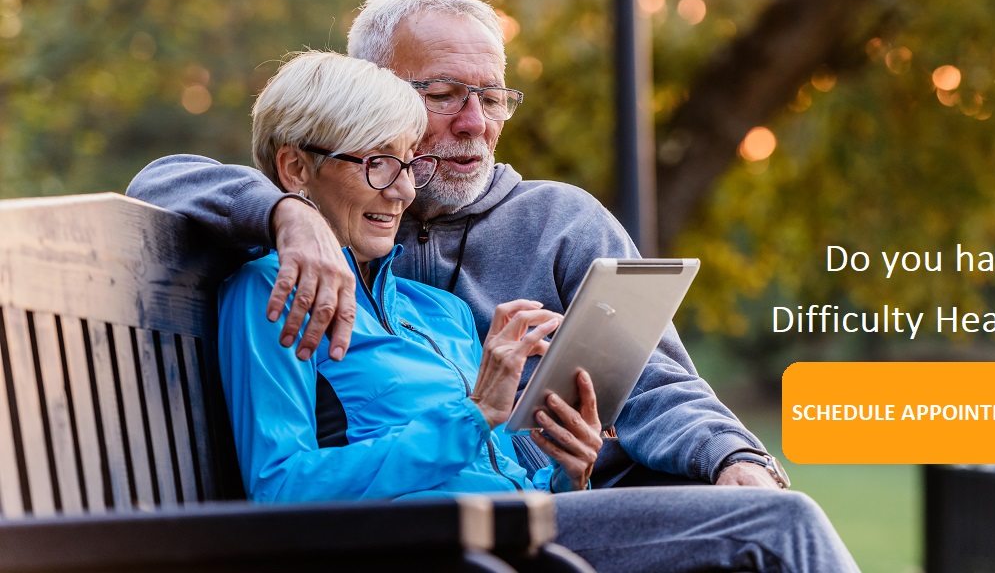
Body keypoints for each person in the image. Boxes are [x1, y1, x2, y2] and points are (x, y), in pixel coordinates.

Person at [219, 48, 858, 572]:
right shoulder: (270, 294)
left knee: (768, 527)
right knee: (778, 527)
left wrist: (566, 468)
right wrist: (473, 416)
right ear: (296, 168)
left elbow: (501, 462)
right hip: (433, 545)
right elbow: (283, 489)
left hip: (522, 534)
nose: (404, 191)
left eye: (409, 165)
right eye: (380, 166)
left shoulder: (435, 309)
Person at [128, 0, 780, 489]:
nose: (475, 122)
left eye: (492, 97)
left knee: (771, 518)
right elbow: (162, 181)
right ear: (375, 98)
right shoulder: (329, 207)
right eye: (443, 94)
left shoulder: (559, 223)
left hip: (582, 500)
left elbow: (655, 382)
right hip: (447, 534)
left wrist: (735, 460)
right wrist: (285, 214)